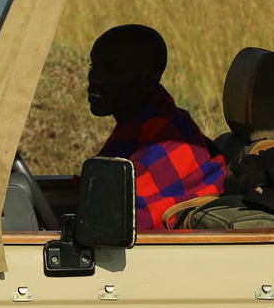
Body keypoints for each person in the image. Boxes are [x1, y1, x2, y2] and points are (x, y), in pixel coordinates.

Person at [88, 24, 226, 230]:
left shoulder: (168, 139)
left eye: (110, 69)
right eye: (93, 66)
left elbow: (116, 224)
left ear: (148, 80)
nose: (94, 78)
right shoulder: (136, 126)